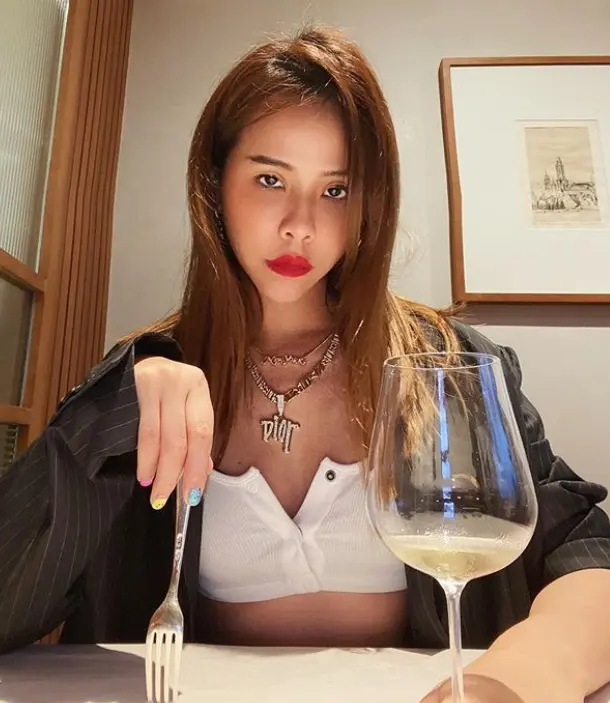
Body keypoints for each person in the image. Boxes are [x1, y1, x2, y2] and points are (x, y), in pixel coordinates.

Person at [0, 24, 609, 703]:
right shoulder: (145, 383)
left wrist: (522, 677)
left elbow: (586, 551)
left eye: (336, 190)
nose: (301, 225)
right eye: (270, 179)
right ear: (215, 184)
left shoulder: (452, 367)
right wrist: (109, 409)